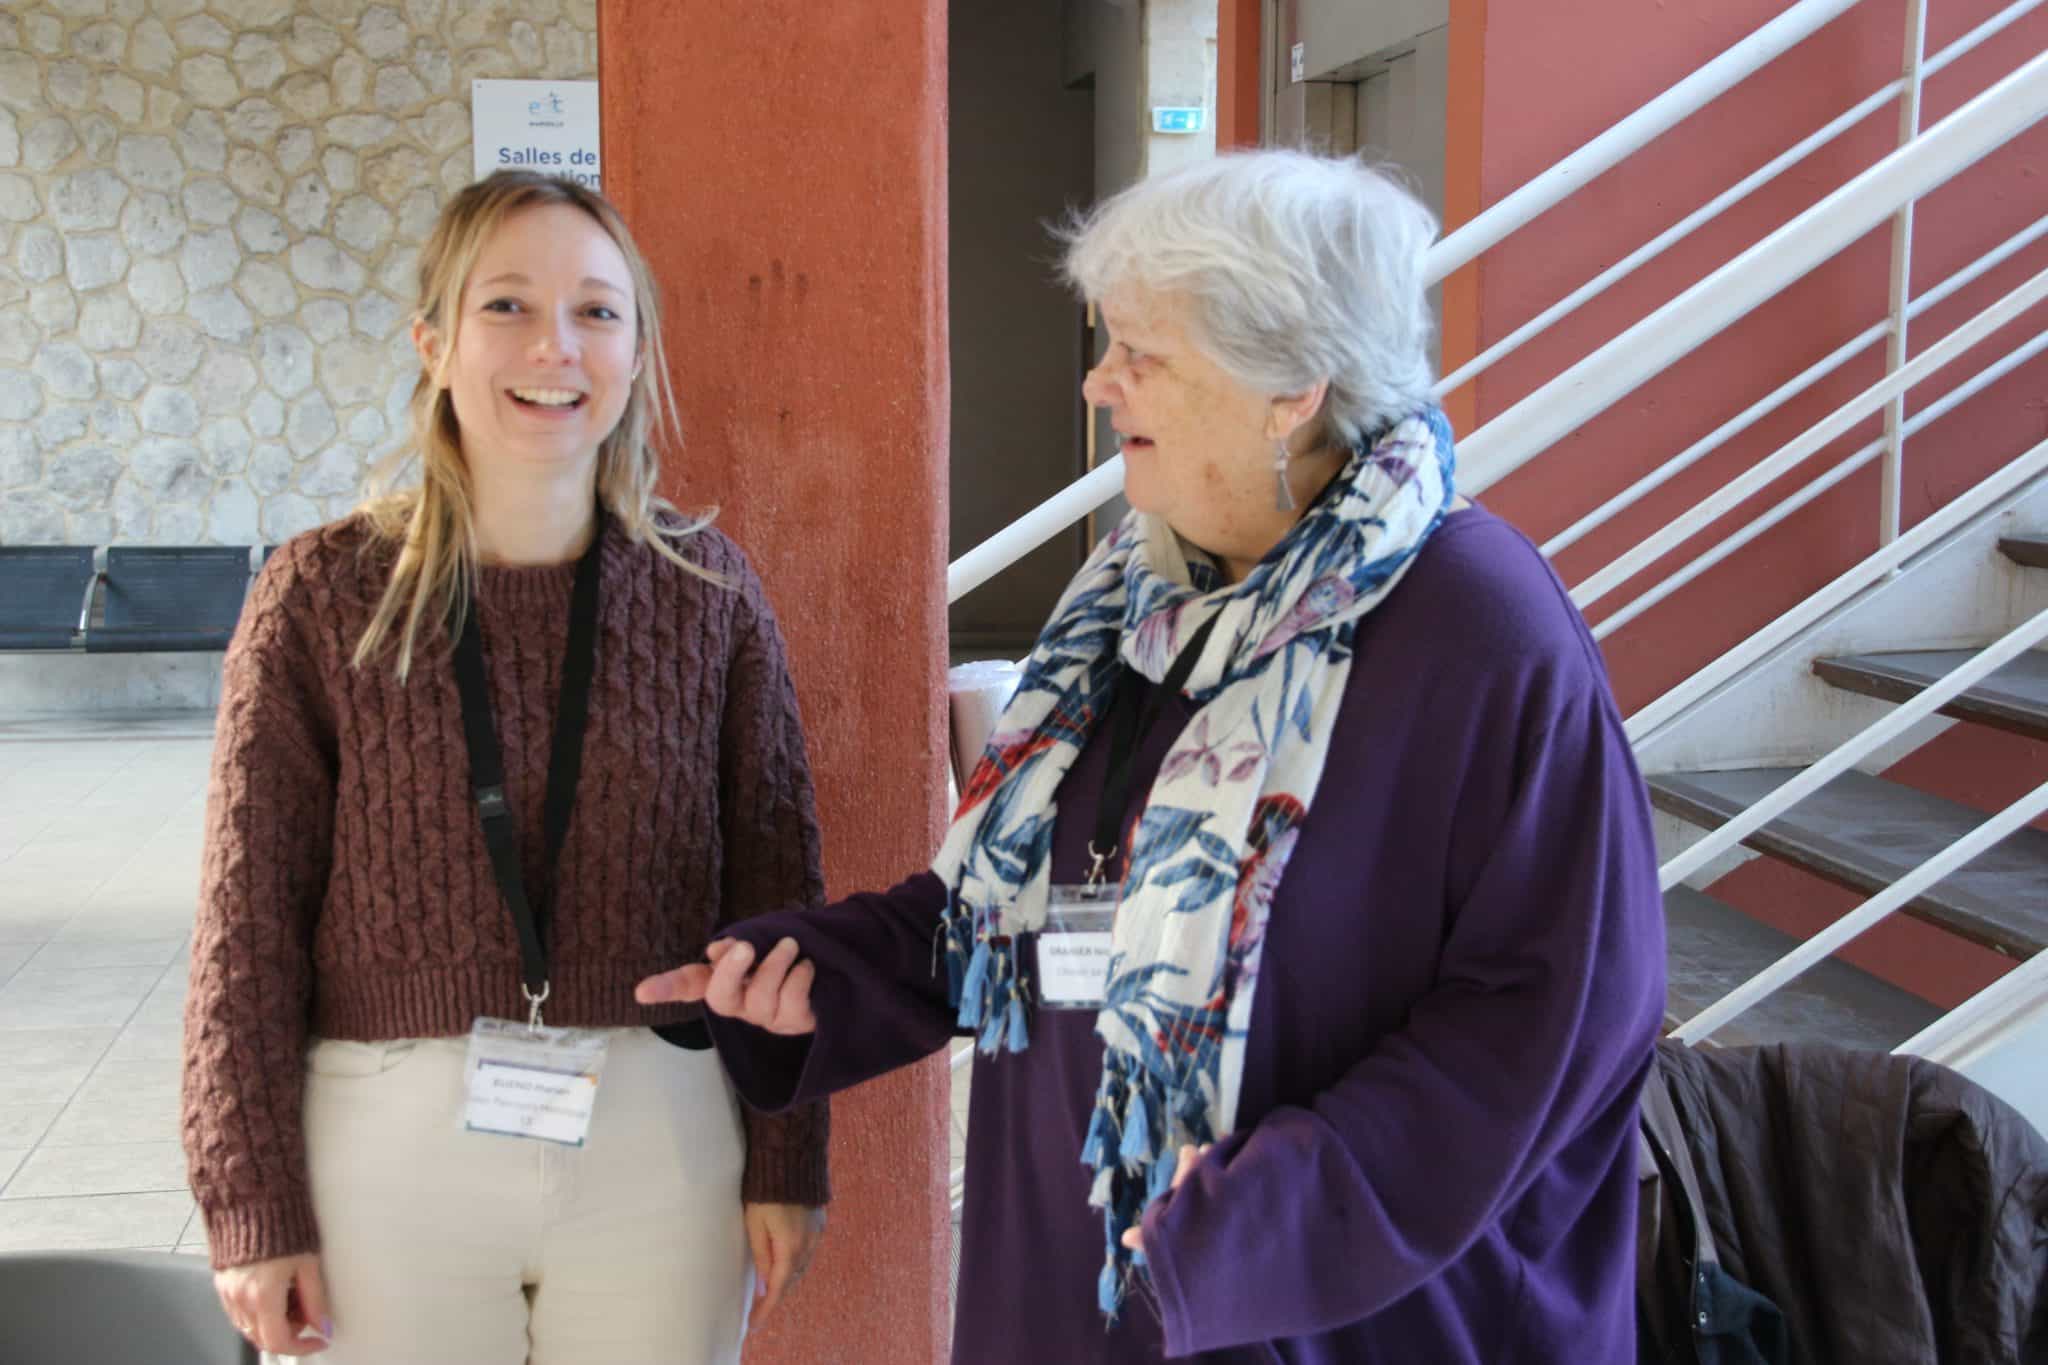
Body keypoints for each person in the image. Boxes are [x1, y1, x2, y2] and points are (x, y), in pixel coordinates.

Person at [638, 150, 1667, 1363]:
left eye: (1143, 354)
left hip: (1321, 1305)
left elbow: (1547, 1019)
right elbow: (1024, 910)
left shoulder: (1475, 622)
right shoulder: (1136, 594)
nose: (1097, 381)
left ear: (1290, 385)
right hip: (1076, 1275)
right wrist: (815, 976)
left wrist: (1251, 1223)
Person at [180, 170, 829, 1365]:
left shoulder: (709, 594)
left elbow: (778, 900)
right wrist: (249, 1200)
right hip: (387, 1143)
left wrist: (787, 1151)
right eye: (506, 307)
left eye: (596, 310)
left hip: (660, 1142)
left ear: (636, 351)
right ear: (432, 343)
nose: (555, 347)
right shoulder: (321, 596)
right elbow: (244, 922)